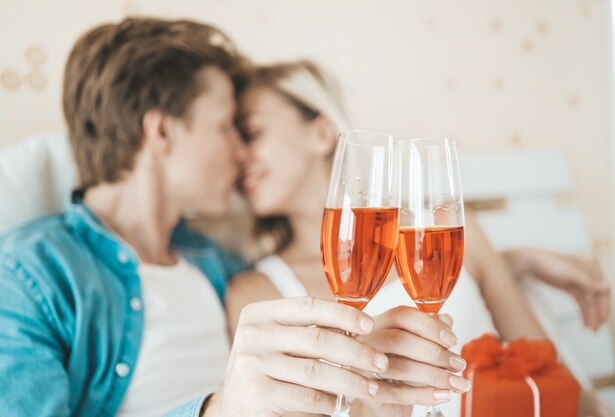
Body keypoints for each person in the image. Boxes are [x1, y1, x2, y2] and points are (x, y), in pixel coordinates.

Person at [0, 19, 467, 417]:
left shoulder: (222, 267)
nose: (242, 154)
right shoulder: (28, 274)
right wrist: (217, 410)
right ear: (161, 131)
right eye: (226, 126)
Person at [227, 60, 612, 416]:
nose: (236, 154)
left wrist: (516, 261)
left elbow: (553, 377)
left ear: (323, 132)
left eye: (251, 133)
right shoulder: (254, 296)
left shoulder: (450, 234)